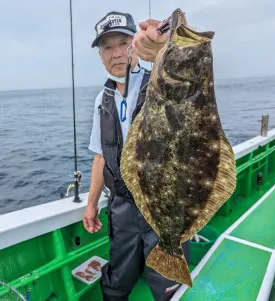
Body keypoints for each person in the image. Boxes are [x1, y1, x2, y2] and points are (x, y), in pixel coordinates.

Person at [83, 11, 190, 301]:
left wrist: (168, 41)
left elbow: (185, 71)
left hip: (164, 204)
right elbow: (100, 156)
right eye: (107, 46)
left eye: (124, 42)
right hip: (122, 207)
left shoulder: (162, 77)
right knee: (118, 279)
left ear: (137, 44)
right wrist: (91, 204)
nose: (116, 52)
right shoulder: (102, 99)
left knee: (168, 284)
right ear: (101, 55)